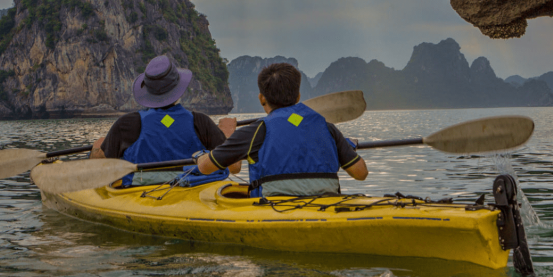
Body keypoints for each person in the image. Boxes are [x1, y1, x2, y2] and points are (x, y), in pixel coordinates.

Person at [196, 62, 368, 197]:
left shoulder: (256, 131)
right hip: (326, 206)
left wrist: (201, 155)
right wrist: (341, 147)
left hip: (274, 209)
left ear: (262, 98)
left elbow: (205, 168)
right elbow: (361, 173)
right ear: (298, 96)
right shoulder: (327, 129)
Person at [90, 54, 240, 187]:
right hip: (191, 196)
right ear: (178, 89)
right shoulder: (201, 123)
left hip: (139, 195)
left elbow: (98, 165)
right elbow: (234, 167)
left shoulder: (126, 125)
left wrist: (99, 147)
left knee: (100, 147)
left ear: (147, 91)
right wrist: (228, 133)